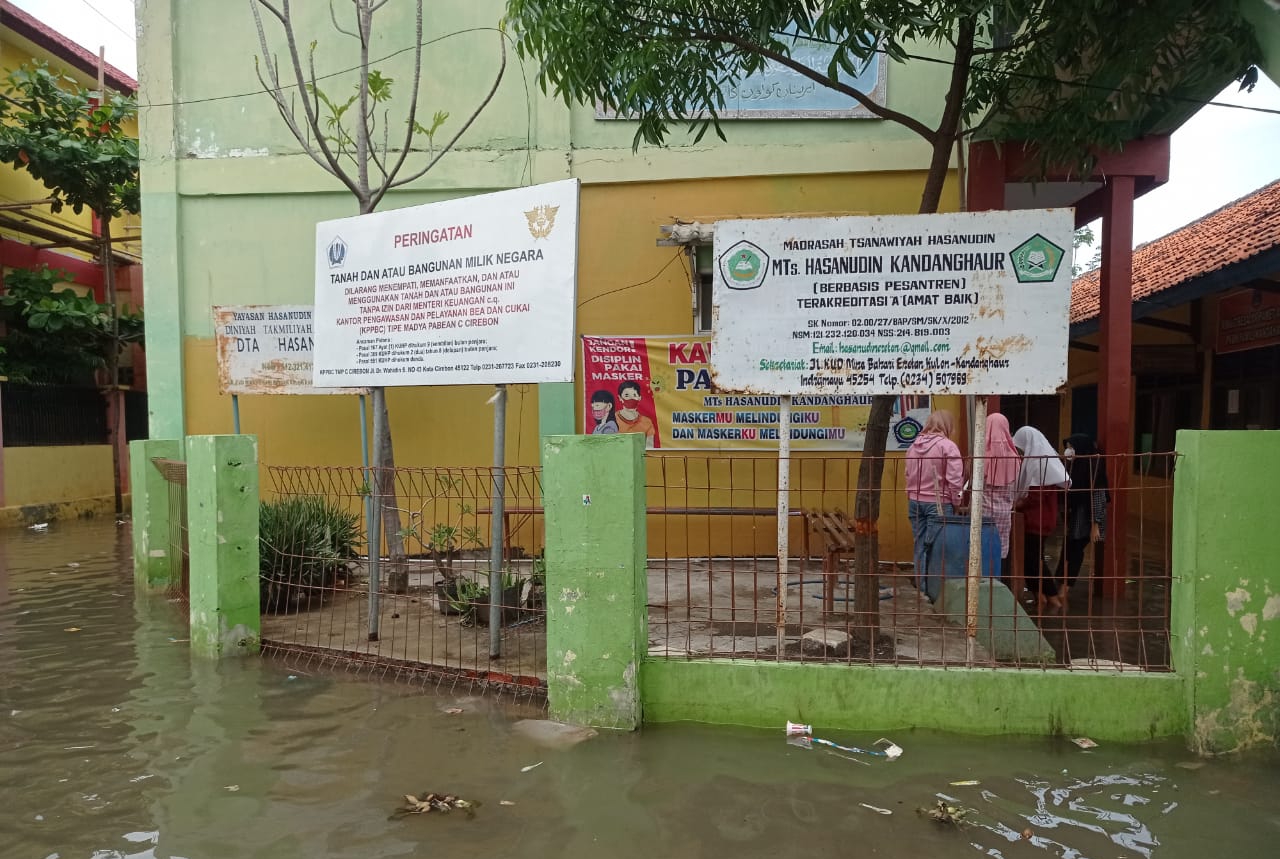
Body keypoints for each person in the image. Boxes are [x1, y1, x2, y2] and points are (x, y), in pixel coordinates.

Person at [1013, 425, 1071, 613]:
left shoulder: (1041, 463)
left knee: (1035, 560)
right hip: (1037, 519)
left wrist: (1017, 504)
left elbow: (1035, 496)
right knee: (1031, 560)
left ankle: (1053, 599)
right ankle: (1042, 599)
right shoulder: (1036, 460)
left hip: (1038, 520)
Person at [905, 410, 964, 582]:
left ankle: (920, 585)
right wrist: (957, 501)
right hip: (938, 503)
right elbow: (955, 480)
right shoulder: (948, 446)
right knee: (937, 546)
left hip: (915, 502)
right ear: (947, 426)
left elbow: (907, 474)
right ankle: (934, 587)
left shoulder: (913, 445)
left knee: (920, 544)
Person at [1058, 433, 1108, 594]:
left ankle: (1064, 589)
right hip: (1076, 516)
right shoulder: (1074, 466)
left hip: (1088, 518)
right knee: (1068, 548)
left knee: (1076, 550)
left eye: (1071, 447)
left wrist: (1095, 524)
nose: (1068, 451)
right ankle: (1059, 586)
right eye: (1067, 447)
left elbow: (1099, 497)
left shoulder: (1094, 467)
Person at [980, 412, 1021, 582]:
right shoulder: (1015, 457)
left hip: (983, 513)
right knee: (1000, 551)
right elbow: (1018, 489)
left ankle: (980, 584)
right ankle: (996, 584)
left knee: (980, 550)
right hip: (1004, 514)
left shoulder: (980, 456)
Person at [615, 380, 657, 448]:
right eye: (627, 395)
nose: (631, 398)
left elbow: (649, 449)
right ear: (620, 398)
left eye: (634, 395)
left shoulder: (647, 422)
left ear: (639, 397)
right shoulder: (612, 420)